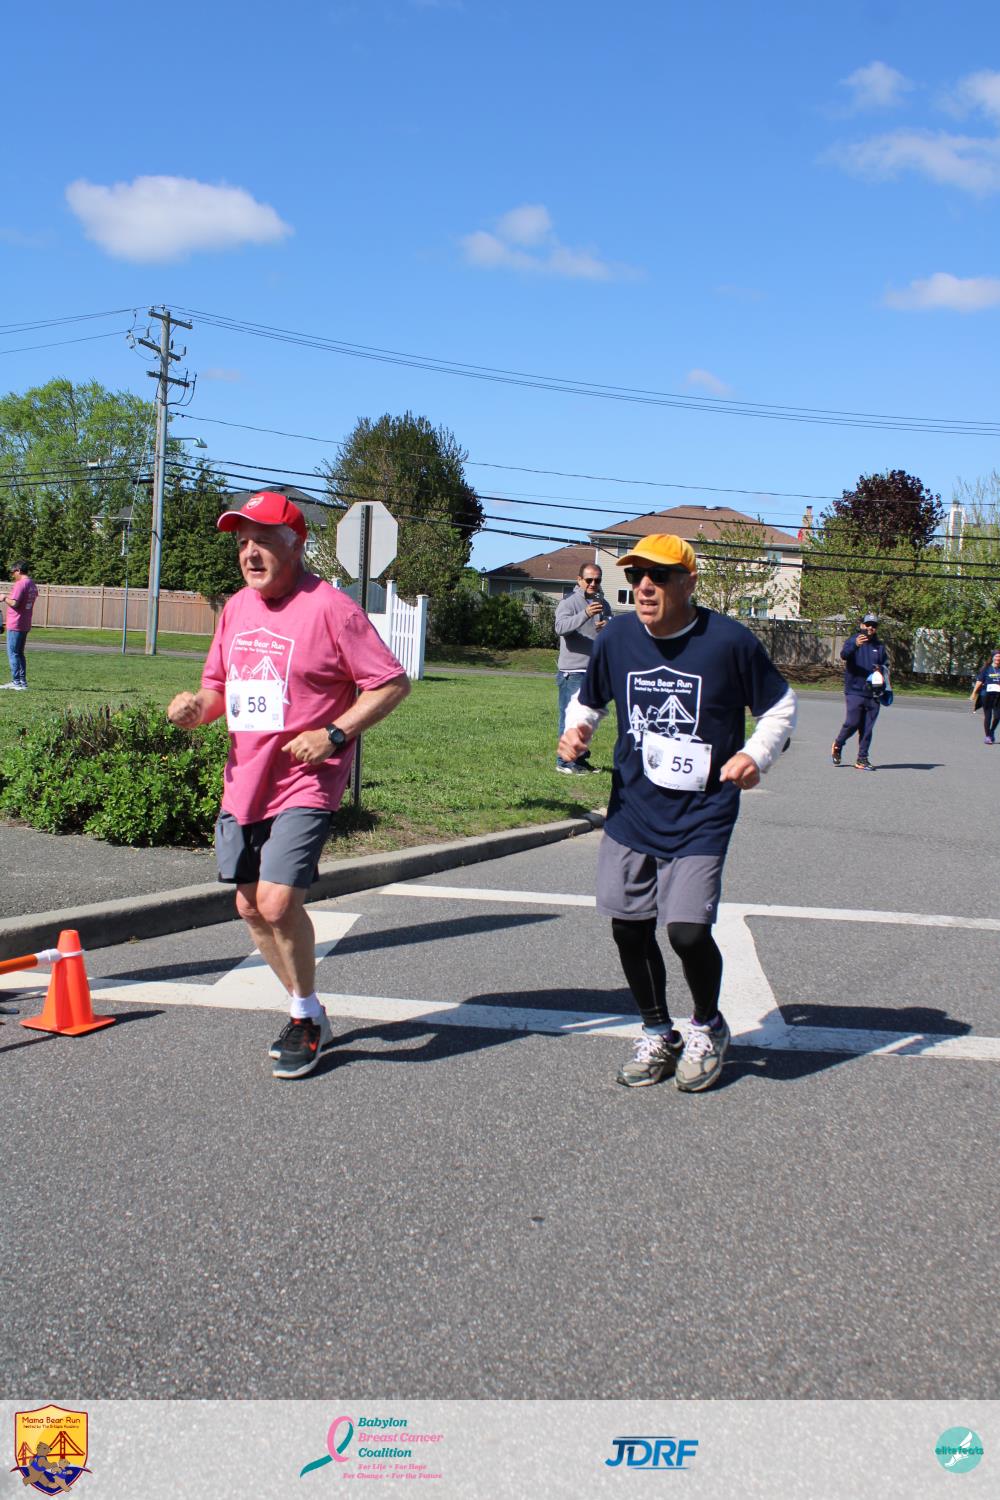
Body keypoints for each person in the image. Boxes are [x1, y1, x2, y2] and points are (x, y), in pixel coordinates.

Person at [167, 491, 410, 1080]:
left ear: (296, 544)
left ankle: (303, 1018)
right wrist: (196, 708)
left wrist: (335, 733)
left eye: (263, 541)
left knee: (277, 902)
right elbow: (218, 688)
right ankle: (311, 1008)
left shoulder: (331, 609)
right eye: (242, 542)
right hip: (244, 780)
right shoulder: (235, 609)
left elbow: (390, 683)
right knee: (249, 906)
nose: (250, 553)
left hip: (306, 781)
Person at [557, 534, 796, 1093]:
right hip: (632, 808)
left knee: (687, 932)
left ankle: (707, 1026)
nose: (645, 586)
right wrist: (578, 730)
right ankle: (657, 1031)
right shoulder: (616, 638)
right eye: (636, 575)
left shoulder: (728, 641)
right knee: (629, 928)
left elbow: (780, 707)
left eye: (659, 576)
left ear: (689, 583)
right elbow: (589, 700)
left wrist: (755, 755)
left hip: (702, 812)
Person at [554, 562, 612, 773]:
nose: (593, 583)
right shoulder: (569, 603)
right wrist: (585, 614)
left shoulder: (602, 603)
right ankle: (565, 762)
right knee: (571, 719)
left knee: (586, 720)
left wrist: (608, 627)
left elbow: (607, 632)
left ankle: (580, 760)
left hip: (594, 671)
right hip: (573, 672)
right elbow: (560, 628)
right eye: (589, 580)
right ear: (579, 580)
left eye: (597, 580)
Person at [831, 613, 890, 771]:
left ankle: (862, 759)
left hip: (874, 692)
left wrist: (881, 670)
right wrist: (855, 645)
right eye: (868, 624)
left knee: (867, 727)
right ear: (862, 625)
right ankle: (838, 744)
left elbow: (886, 665)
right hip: (855, 690)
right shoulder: (854, 640)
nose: (871, 627)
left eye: (874, 625)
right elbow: (844, 655)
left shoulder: (879, 646)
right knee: (852, 722)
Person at [0, 561, 39, 691]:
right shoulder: (32, 584)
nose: (12, 575)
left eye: (13, 572)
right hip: (25, 622)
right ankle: (22, 682)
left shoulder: (20, 584)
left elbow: (15, 603)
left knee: (13, 653)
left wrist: (4, 597)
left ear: (19, 570)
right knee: (19, 653)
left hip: (15, 623)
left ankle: (16, 682)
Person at [971, 650, 1000, 744]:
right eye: (996, 656)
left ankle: (992, 731)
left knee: (997, 716)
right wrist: (974, 693)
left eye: (999, 657)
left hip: (998, 696)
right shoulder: (986, 668)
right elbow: (979, 681)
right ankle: (987, 736)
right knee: (988, 715)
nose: (998, 658)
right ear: (992, 657)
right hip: (986, 695)